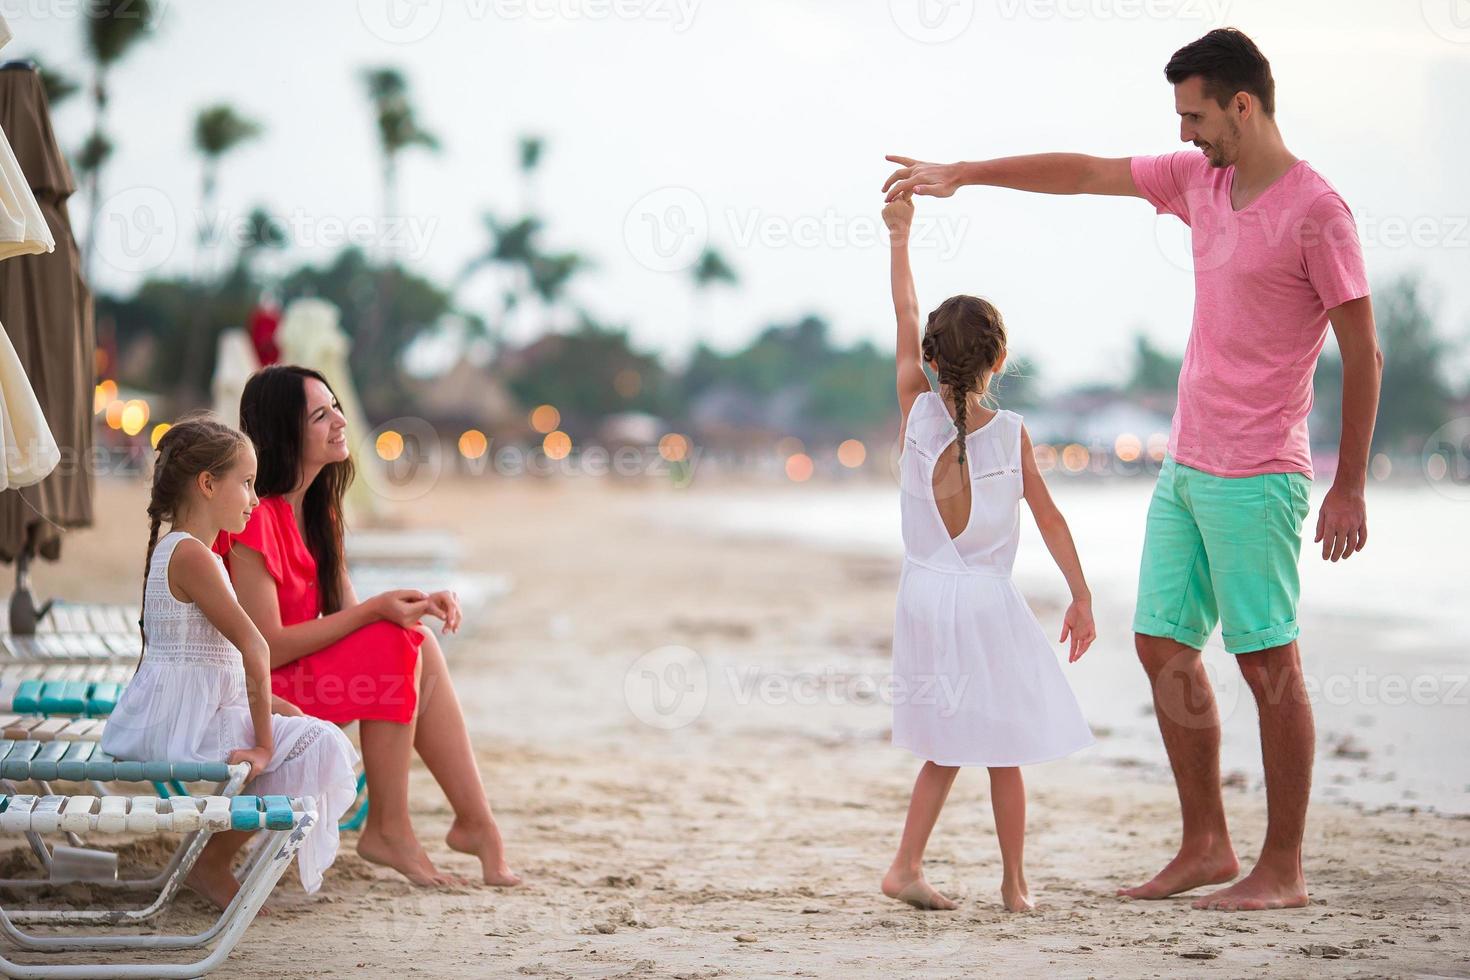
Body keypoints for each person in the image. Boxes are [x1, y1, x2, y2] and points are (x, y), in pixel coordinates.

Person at [882, 28, 1382, 912]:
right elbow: (1084, 172)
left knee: (1269, 663)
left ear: (1243, 103)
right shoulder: (1202, 182)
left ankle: (1285, 868)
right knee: (1161, 645)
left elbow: (1364, 351)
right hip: (1187, 465)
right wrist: (965, 171)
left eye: (1196, 115)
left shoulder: (1318, 211)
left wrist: (1349, 485)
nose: (1186, 133)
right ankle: (1206, 844)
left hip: (1260, 471)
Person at [213, 365, 519, 888]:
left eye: (336, 406)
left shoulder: (319, 512)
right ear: (286, 434)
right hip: (255, 690)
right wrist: (377, 612)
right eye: (320, 414)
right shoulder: (256, 519)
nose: (339, 419)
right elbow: (267, 649)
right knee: (394, 646)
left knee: (409, 640)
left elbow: (352, 623)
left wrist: (413, 604)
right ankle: (391, 829)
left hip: (295, 680)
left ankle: (476, 823)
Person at [879, 192, 1096, 913]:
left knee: (947, 738)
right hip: (980, 601)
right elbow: (1052, 516)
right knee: (1003, 740)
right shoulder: (1011, 433)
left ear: (931, 359)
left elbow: (904, 313)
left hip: (922, 597)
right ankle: (1014, 883)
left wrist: (900, 236)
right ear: (1001, 358)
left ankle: (907, 863)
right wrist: (1082, 594)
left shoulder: (915, 405)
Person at [103, 415, 359, 907]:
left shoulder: (187, 552)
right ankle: (212, 862)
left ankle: (216, 858)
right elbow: (255, 646)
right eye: (245, 484)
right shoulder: (194, 557)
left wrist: (280, 710)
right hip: (187, 728)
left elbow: (214, 665)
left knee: (306, 728)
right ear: (206, 484)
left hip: (189, 717)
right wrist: (263, 745)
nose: (255, 499)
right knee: (319, 744)